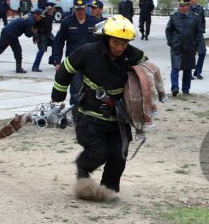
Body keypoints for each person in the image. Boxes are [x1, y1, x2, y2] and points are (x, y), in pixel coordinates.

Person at [51, 15, 148, 201]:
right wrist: (58, 97)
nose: (120, 48)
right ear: (106, 39)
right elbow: (65, 71)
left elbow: (147, 70)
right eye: (116, 43)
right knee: (98, 153)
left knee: (119, 156)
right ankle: (83, 174)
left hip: (118, 119)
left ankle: (107, 191)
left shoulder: (132, 54)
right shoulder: (86, 52)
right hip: (89, 116)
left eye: (124, 43)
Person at [50, 0, 99, 120]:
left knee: (92, 88)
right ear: (74, 8)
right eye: (77, 9)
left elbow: (101, 43)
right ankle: (77, 117)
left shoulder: (93, 22)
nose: (80, 12)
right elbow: (59, 42)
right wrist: (57, 61)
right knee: (76, 89)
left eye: (82, 9)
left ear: (86, 8)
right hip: (74, 63)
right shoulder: (67, 22)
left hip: (91, 63)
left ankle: (91, 115)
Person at [165, 0, 201, 96]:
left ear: (188, 6)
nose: (181, 7)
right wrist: (170, 42)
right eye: (180, 6)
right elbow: (168, 30)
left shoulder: (194, 18)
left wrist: (195, 44)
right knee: (175, 68)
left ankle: (186, 89)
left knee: (187, 69)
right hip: (176, 46)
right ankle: (175, 88)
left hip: (189, 47)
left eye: (183, 6)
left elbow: (198, 32)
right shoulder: (174, 17)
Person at [188, 0, 207, 80]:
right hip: (189, 35)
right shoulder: (186, 8)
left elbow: (203, 21)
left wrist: (202, 29)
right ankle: (188, 73)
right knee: (190, 54)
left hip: (199, 35)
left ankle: (197, 71)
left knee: (202, 53)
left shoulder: (200, 9)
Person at [32, 2, 56, 72]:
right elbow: (35, 26)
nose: (50, 11)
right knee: (41, 50)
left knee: (56, 44)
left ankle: (52, 60)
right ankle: (35, 67)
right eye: (49, 9)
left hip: (49, 34)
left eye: (51, 9)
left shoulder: (53, 13)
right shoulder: (41, 15)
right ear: (46, 9)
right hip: (41, 35)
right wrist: (35, 36)